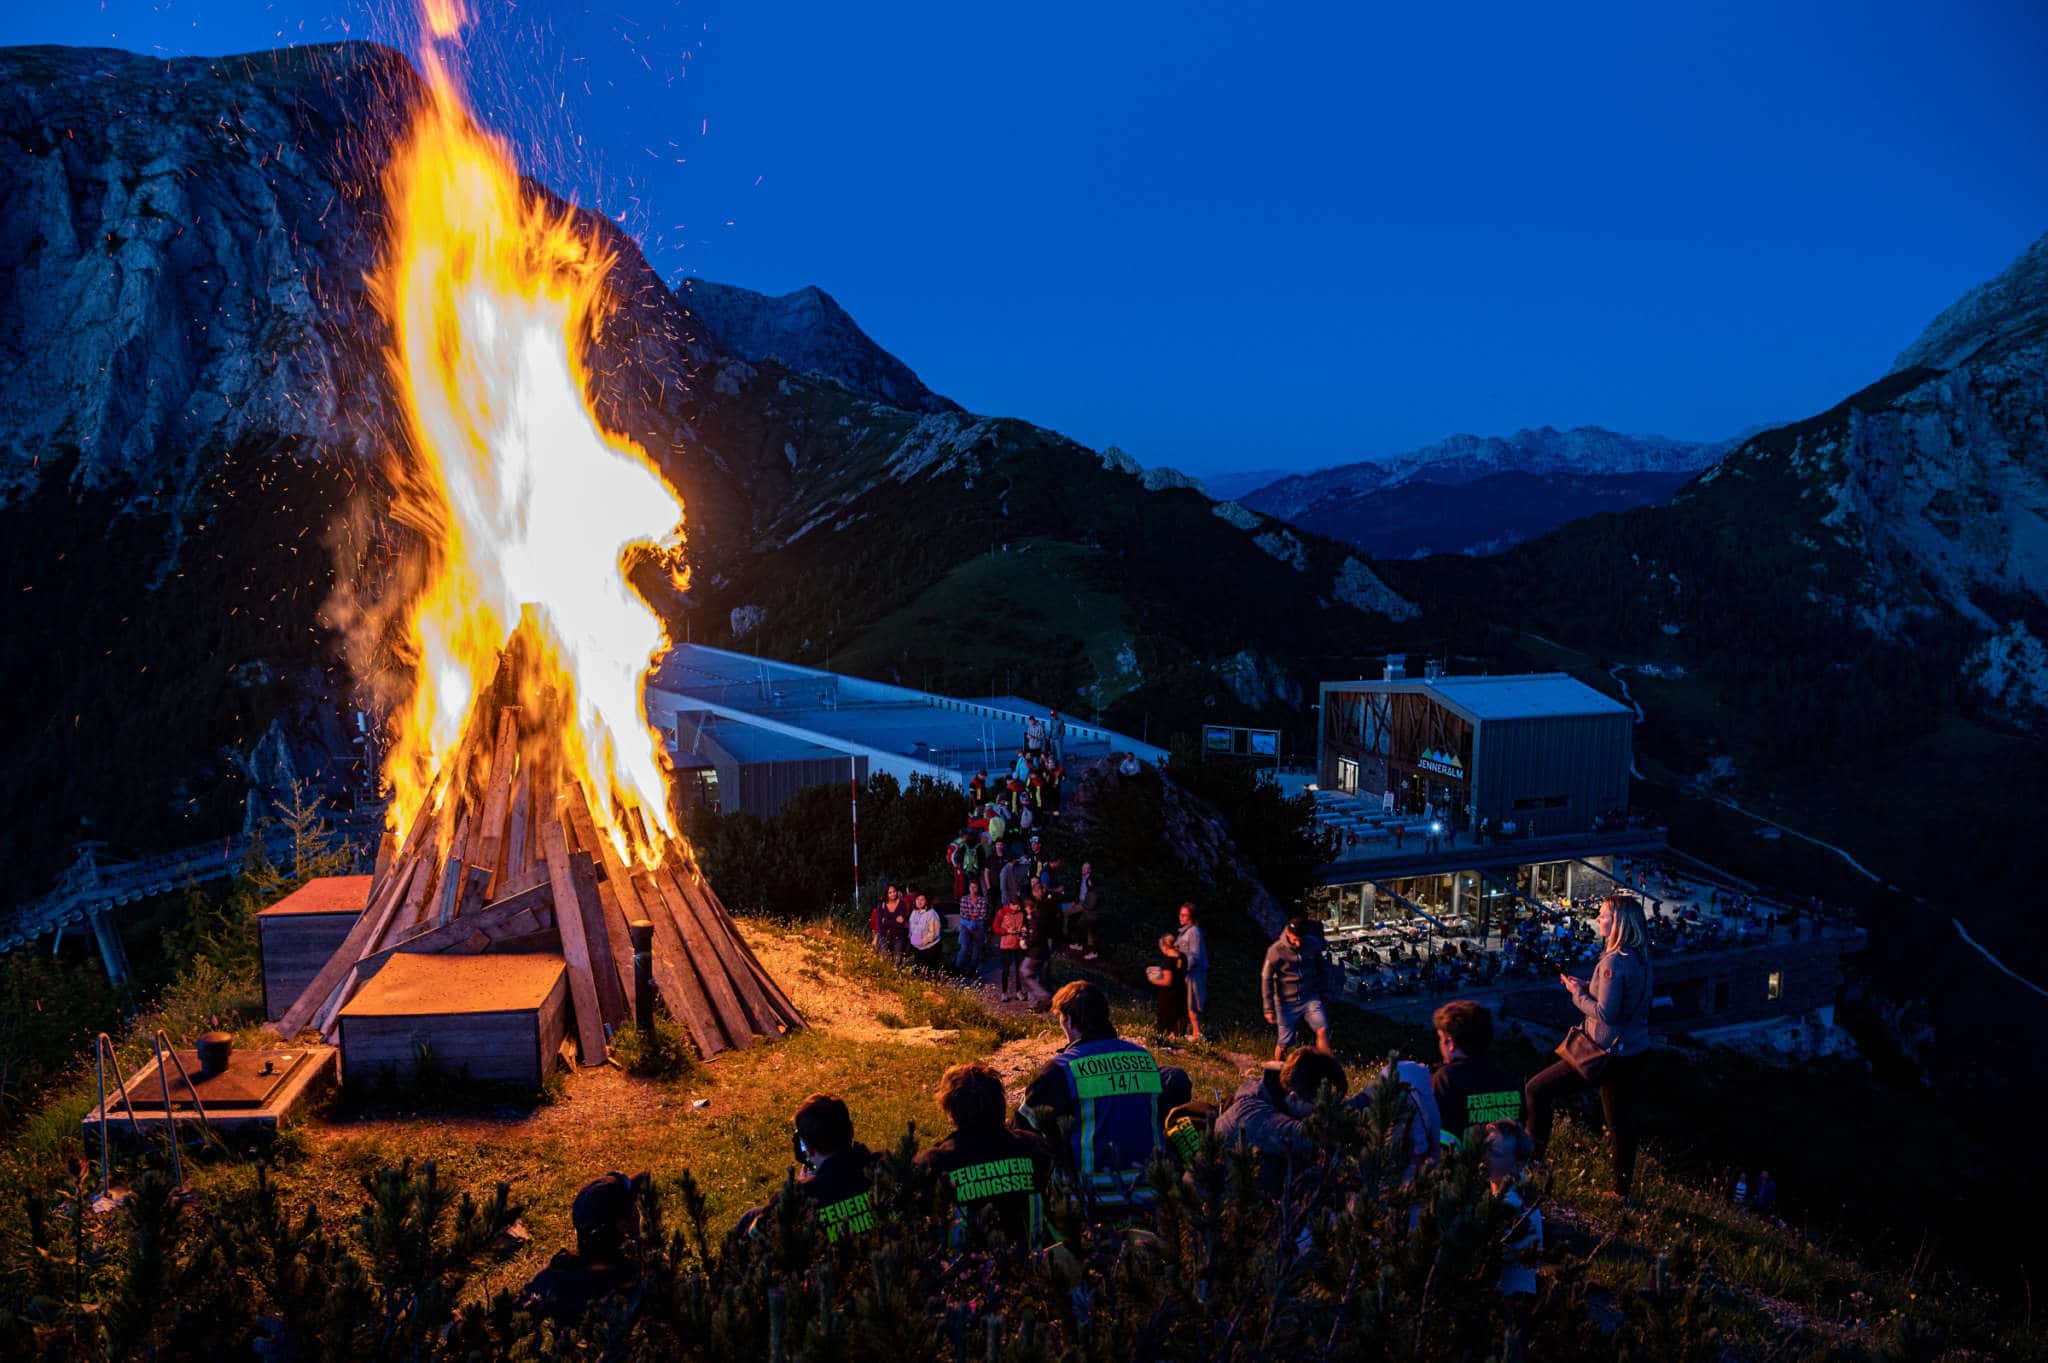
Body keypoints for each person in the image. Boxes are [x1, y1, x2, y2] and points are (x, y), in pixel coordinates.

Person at [1526, 894, 1654, 1202]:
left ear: (1619, 922)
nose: (1598, 919)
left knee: (1536, 1089)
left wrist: (1575, 994)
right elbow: (1622, 1001)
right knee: (1620, 1122)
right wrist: (1589, 986)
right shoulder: (1640, 959)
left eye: (1603, 915)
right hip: (1633, 1050)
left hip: (1603, 1052)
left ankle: (1532, 1163)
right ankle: (1622, 1192)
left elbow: (1608, 1013)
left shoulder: (1613, 962)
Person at [1020, 982, 1186, 1214]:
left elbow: (1024, 1128)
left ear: (1068, 1020)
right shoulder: (1144, 1059)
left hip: (1090, 1198)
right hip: (1150, 1193)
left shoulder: (1062, 1069)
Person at [915, 1062, 1055, 1249]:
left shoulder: (937, 1162)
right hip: (1034, 1263)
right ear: (1000, 1101)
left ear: (951, 1111)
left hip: (966, 1271)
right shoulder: (1033, 1147)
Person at [1215, 1049, 1348, 1192]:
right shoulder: (1255, 1114)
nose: (1322, 1115)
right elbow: (1307, 1135)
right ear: (1294, 1098)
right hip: (1223, 1200)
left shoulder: (1280, 1089)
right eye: (1319, 1108)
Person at [519, 1172, 643, 1325]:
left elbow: (517, 1311)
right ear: (621, 1224)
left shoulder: (560, 1274)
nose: (638, 1214)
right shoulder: (639, 1278)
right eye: (632, 1208)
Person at [1430, 1000, 1525, 1145]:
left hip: (1466, 1163)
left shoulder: (1446, 1078)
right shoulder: (1507, 1072)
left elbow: (1441, 1134)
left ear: (1451, 1043)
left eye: (1441, 1039)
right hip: (1507, 1163)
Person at [1480, 1121, 1542, 1298]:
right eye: (1486, 1148)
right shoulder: (1518, 1187)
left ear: (1517, 1165)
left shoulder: (1511, 1207)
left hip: (1506, 1302)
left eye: (1495, 1154)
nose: (1485, 1157)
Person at [1262, 916, 1333, 1060]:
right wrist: (1268, 1008)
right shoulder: (1276, 950)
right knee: (1284, 1043)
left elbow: (1322, 967)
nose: (1298, 943)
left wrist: (1325, 990)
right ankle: (1278, 1072)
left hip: (1309, 996)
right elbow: (1266, 978)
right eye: (1295, 939)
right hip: (1286, 1001)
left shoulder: (1312, 944)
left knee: (1322, 1028)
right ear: (1288, 934)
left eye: (1301, 939)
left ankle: (1326, 1066)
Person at [1173, 902, 1209, 1042]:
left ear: (1191, 917)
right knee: (1187, 1004)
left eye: (1184, 915)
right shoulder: (1185, 932)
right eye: (1180, 914)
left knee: (1192, 1004)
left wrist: (1182, 965)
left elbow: (1195, 954)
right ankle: (1190, 1032)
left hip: (1193, 974)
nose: (1181, 917)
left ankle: (1197, 1033)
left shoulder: (1193, 932)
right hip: (1187, 974)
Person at [994, 898, 1028, 1001]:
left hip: (1018, 945)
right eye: (1017, 906)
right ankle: (1004, 993)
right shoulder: (1002, 912)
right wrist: (1006, 931)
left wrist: (1024, 928)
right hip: (1006, 945)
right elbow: (995, 927)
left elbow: (1025, 924)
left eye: (1020, 906)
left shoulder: (1022, 913)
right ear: (1011, 904)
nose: (1019, 908)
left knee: (1019, 969)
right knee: (1006, 970)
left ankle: (1018, 991)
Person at [1070, 862, 1103, 960]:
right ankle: (1080, 944)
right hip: (1088, 913)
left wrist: (1083, 905)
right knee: (1080, 925)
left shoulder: (1094, 892)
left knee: (1091, 932)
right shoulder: (1091, 890)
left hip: (1091, 915)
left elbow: (1091, 905)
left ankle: (1093, 952)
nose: (1088, 883)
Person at [955, 881, 989, 974]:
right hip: (965, 925)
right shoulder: (964, 899)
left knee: (977, 947)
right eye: (972, 887)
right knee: (964, 946)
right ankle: (958, 967)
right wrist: (974, 915)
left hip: (978, 925)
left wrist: (970, 914)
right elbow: (962, 913)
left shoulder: (982, 900)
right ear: (969, 888)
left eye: (975, 887)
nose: (973, 889)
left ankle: (972, 969)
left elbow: (983, 914)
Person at [873, 884, 911, 960]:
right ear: (886, 894)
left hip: (898, 936)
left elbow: (901, 923)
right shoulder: (881, 904)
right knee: (884, 959)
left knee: (897, 959)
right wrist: (895, 920)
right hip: (884, 936)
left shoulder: (901, 904)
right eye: (890, 892)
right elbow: (880, 923)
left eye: (894, 891)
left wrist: (886, 921)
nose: (893, 894)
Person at [908, 892, 942, 971]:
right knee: (918, 972)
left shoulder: (931, 913)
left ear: (926, 901)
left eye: (922, 900)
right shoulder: (914, 912)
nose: (919, 902)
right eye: (917, 899)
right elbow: (911, 928)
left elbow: (934, 933)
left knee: (929, 973)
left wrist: (922, 941)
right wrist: (911, 938)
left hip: (930, 948)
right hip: (917, 948)